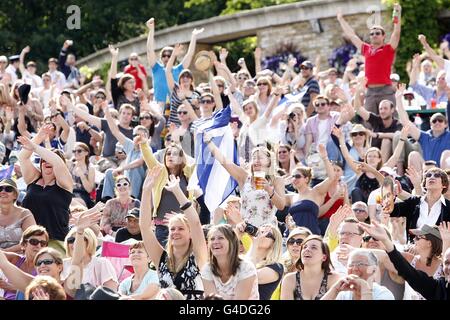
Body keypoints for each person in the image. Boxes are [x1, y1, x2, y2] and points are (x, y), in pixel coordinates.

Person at [140, 167, 207, 300]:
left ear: (190, 234)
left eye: (181, 229)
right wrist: (146, 191)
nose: (175, 232)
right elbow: (145, 227)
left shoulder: (198, 256)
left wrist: (177, 191)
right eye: (172, 229)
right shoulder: (161, 259)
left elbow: (195, 224)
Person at [205, 139, 285, 228]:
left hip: (267, 231)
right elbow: (225, 162)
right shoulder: (245, 177)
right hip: (246, 229)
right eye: (254, 158)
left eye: (260, 158)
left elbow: (281, 205)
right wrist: (210, 143)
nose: (256, 160)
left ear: (269, 162)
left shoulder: (276, 180)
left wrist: (269, 190)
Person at [360, 221, 450, 300]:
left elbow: (445, 261)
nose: (414, 239)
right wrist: (385, 240)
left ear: (429, 243)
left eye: (418, 237)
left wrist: (446, 241)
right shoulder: (410, 259)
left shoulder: (443, 267)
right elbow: (394, 260)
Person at [337, 4, 401, 114]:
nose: (374, 35)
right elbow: (352, 35)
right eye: (372, 34)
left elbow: (396, 33)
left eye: (377, 33)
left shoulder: (388, 49)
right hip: (370, 92)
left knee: (391, 122)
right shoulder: (366, 48)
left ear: (383, 36)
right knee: (369, 123)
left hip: (385, 91)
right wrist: (340, 19)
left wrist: (397, 13)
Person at [18, 129, 73, 255]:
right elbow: (23, 156)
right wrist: (38, 137)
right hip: (29, 241)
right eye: (44, 159)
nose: (47, 162)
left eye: (50, 160)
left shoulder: (65, 184)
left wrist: (34, 147)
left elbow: (56, 161)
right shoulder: (33, 179)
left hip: (55, 242)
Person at [146, 18, 203, 107]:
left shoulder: (179, 69)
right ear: (161, 58)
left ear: (174, 57)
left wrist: (193, 37)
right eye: (164, 55)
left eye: (169, 55)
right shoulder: (156, 68)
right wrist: (151, 30)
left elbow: (190, 54)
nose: (166, 57)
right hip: (159, 105)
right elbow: (149, 50)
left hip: (175, 105)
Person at [383, 168, 450, 237]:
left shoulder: (448, 207)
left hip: (439, 247)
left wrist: (424, 231)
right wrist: (391, 195)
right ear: (424, 184)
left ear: (444, 185)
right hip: (414, 246)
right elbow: (389, 210)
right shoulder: (414, 202)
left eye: (437, 175)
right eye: (429, 175)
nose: (432, 177)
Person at [286, 144, 335, 235]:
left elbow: (332, 177)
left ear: (306, 179)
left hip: (310, 236)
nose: (294, 179)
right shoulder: (291, 197)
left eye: (297, 176)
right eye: (292, 177)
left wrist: (324, 157)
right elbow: (274, 196)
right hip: (293, 237)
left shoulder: (316, 191)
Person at [202, 224, 259, 300]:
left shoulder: (246, 267)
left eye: (221, 238)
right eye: (212, 239)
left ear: (231, 242)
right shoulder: (207, 269)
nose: (215, 242)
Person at [101, 104, 146, 200]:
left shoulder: (146, 148)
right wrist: (107, 113)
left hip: (138, 178)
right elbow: (115, 131)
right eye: (135, 135)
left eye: (140, 135)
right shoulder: (130, 144)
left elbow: (139, 162)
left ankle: (132, 200)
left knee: (134, 170)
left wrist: (122, 168)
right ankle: (108, 201)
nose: (137, 138)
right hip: (126, 176)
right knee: (110, 172)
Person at [62, 219, 118, 292]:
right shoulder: (62, 264)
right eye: (71, 240)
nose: (75, 243)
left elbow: (111, 293)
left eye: (80, 239)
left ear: (90, 242)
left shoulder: (101, 263)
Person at [281, 235, 340, 300]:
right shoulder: (290, 279)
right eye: (304, 247)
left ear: (324, 257)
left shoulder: (334, 278)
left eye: (314, 247)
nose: (307, 249)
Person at [322, 248, 395, 300]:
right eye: (351, 265)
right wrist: (335, 290)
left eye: (360, 264)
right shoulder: (343, 294)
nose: (354, 268)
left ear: (373, 270)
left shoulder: (383, 294)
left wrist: (364, 288)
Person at [0, 225, 48, 300]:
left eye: (43, 243)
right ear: (24, 244)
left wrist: (13, 288)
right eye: (34, 242)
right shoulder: (15, 259)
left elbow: (43, 292)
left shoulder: (47, 266)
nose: (39, 246)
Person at [243, 223, 284, 300]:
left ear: (274, 243)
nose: (261, 236)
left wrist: (255, 244)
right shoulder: (244, 258)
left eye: (267, 234)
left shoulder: (276, 268)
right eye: (259, 232)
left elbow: (247, 276)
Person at [166, 44, 201, 128]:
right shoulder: (175, 89)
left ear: (191, 80)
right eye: (183, 76)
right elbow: (168, 71)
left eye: (188, 76)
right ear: (179, 79)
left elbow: (198, 117)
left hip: (189, 129)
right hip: (173, 127)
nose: (185, 78)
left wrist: (196, 107)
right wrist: (173, 55)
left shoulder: (196, 95)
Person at [0, 178, 36, 252]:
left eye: (8, 189)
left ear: (15, 195)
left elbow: (32, 239)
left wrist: (6, 252)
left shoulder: (24, 214)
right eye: (0, 189)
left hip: (21, 258)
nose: (3, 192)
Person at [107, 45, 141, 112]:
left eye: (134, 82)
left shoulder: (137, 97)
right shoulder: (118, 95)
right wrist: (114, 57)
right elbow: (113, 78)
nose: (133, 84)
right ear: (124, 85)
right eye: (130, 82)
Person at [69, 142, 95, 208]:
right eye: (74, 151)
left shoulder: (90, 168)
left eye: (79, 151)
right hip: (70, 194)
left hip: (83, 195)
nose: (76, 153)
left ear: (86, 153)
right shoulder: (70, 165)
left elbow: (89, 190)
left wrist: (82, 175)